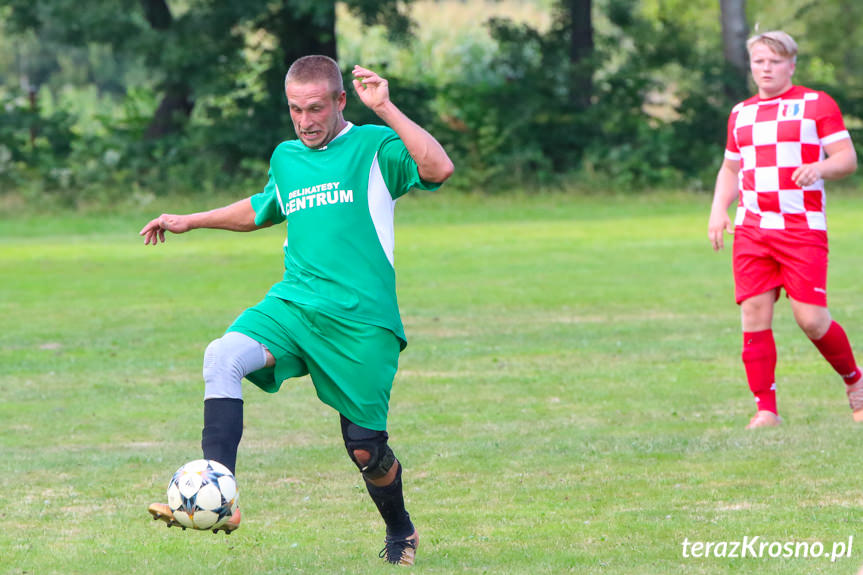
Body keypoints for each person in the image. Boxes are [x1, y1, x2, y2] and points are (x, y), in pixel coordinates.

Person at [140, 55, 454, 566]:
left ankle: (402, 530)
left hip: (360, 323)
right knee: (222, 357)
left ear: (340, 101)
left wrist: (388, 108)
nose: (305, 121)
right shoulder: (286, 157)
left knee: (366, 450)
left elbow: (438, 168)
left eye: (314, 108)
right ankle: (224, 499)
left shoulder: (374, 147)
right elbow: (262, 208)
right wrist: (190, 220)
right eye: (294, 110)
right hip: (294, 306)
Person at [708, 31, 860, 429]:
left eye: (775, 61)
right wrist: (718, 210)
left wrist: (821, 168)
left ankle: (855, 381)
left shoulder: (816, 104)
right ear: (751, 65)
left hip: (801, 230)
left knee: (811, 320)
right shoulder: (740, 113)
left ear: (792, 64)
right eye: (759, 61)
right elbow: (730, 168)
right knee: (754, 315)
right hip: (753, 231)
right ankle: (766, 410)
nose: (767, 68)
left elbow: (846, 159)